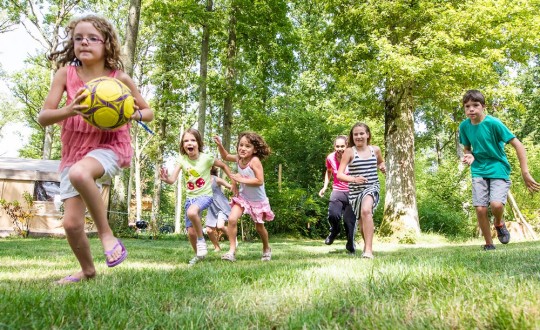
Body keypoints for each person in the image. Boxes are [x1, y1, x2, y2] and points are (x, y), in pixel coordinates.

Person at [38, 15, 154, 284]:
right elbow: (44, 117)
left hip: (110, 145)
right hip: (74, 150)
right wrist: (68, 110)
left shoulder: (119, 78)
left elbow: (147, 112)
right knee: (71, 224)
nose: (84, 42)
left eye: (92, 38)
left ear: (107, 44)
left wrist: (132, 115)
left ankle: (106, 234)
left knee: (81, 174)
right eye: (78, 38)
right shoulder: (64, 75)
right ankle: (88, 270)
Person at [459, 90, 540, 250]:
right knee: (481, 208)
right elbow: (467, 148)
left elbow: (518, 145)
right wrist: (468, 156)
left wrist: (525, 172)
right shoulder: (464, 126)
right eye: (467, 106)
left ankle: (498, 222)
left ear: (483, 106)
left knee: (496, 205)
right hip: (478, 169)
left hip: (498, 168)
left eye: (475, 105)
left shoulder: (493, 123)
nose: (471, 109)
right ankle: (489, 244)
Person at [160, 128, 235, 265]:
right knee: (190, 232)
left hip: (205, 195)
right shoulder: (182, 160)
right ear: (183, 145)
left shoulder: (206, 158)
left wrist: (233, 181)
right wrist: (166, 179)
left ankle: (202, 241)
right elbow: (172, 180)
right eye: (186, 141)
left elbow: (223, 165)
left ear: (198, 143)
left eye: (193, 140)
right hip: (190, 198)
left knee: (192, 212)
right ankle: (199, 255)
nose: (190, 143)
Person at [213, 133, 274, 262]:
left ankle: (266, 248)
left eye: (247, 146)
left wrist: (241, 179)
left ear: (255, 149)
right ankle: (231, 252)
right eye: (241, 145)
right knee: (232, 219)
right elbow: (225, 156)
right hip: (243, 198)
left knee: (259, 227)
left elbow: (259, 181)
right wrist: (220, 145)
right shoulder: (238, 159)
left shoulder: (254, 161)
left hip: (258, 200)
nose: (243, 148)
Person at [337, 123, 385, 259]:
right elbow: (339, 174)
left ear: (368, 134)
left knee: (366, 211)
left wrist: (382, 166)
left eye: (361, 133)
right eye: (355, 134)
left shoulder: (375, 150)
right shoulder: (349, 151)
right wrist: (354, 179)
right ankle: (366, 246)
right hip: (355, 192)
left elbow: (381, 162)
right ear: (352, 137)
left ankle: (369, 250)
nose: (359, 136)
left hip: (372, 187)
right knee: (362, 220)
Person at [318, 135, 357, 253]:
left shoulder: (354, 156)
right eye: (337, 146)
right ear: (334, 147)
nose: (340, 148)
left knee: (349, 221)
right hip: (338, 190)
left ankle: (350, 244)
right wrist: (325, 186)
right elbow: (329, 171)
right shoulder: (330, 157)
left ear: (347, 146)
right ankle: (334, 230)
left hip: (353, 191)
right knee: (333, 215)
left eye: (342, 146)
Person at [205, 166, 233, 252]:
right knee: (209, 230)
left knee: (220, 226)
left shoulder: (215, 179)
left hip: (221, 206)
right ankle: (217, 247)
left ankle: (233, 238)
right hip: (211, 207)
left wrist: (236, 195)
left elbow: (230, 186)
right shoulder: (202, 181)